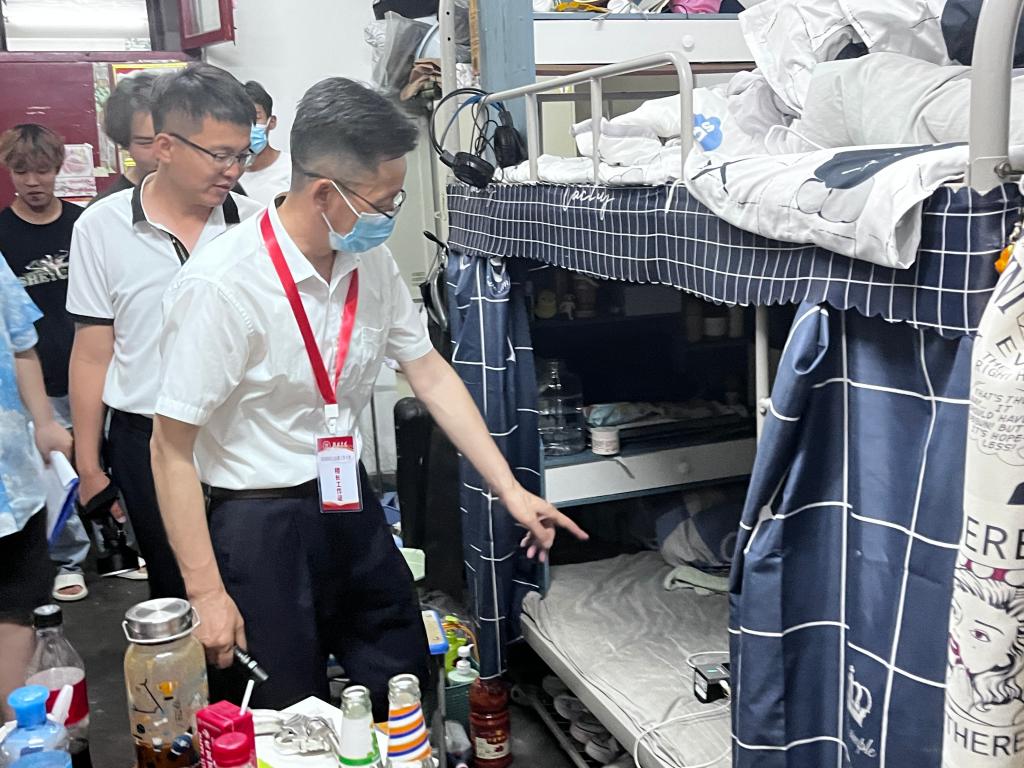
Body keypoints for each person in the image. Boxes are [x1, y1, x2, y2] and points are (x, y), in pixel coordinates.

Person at [151, 77, 587, 716]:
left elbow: (429, 372)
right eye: (383, 202)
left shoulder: (369, 265)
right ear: (325, 193)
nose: (390, 216)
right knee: (285, 709)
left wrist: (511, 490)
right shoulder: (221, 287)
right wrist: (207, 594)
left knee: (400, 672)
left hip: (345, 497)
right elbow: (169, 450)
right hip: (257, 522)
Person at [66, 63, 262, 600]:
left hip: (240, 434)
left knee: (256, 581)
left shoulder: (258, 225)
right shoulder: (101, 227)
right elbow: (93, 353)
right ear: (166, 146)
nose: (231, 170)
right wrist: (89, 465)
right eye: (218, 155)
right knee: (178, 587)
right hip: (146, 438)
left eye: (241, 155)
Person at [0, 124, 91, 602]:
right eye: (21, 172)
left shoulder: (83, 225)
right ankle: (68, 560)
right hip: (38, 375)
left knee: (102, 457)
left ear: (58, 168)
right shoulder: (3, 233)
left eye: (41, 170)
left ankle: (124, 545)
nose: (33, 182)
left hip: (92, 369)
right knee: (54, 466)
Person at [0, 259, 73, 719]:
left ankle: (18, 734)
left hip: (13, 481)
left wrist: (45, 422)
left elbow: (21, 343)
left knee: (16, 608)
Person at [90, 72, 160, 206]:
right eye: (146, 143)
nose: (161, 152)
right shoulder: (107, 209)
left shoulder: (199, 194)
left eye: (174, 139)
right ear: (125, 143)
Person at [239, 81, 292, 205]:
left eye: (256, 118)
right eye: (241, 118)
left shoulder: (291, 170)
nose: (249, 126)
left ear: (271, 122)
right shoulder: (226, 172)